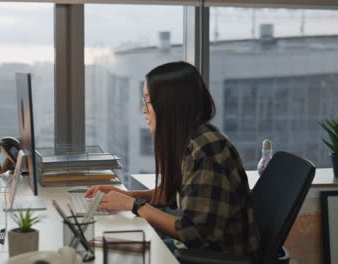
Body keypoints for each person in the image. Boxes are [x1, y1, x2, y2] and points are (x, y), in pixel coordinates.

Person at [85, 61, 260, 257]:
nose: (144, 110)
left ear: (170, 105)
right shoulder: (193, 138)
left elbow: (194, 232)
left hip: (214, 258)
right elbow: (173, 194)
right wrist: (127, 196)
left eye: (148, 101)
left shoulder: (207, 149)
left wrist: (134, 206)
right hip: (196, 252)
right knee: (108, 248)